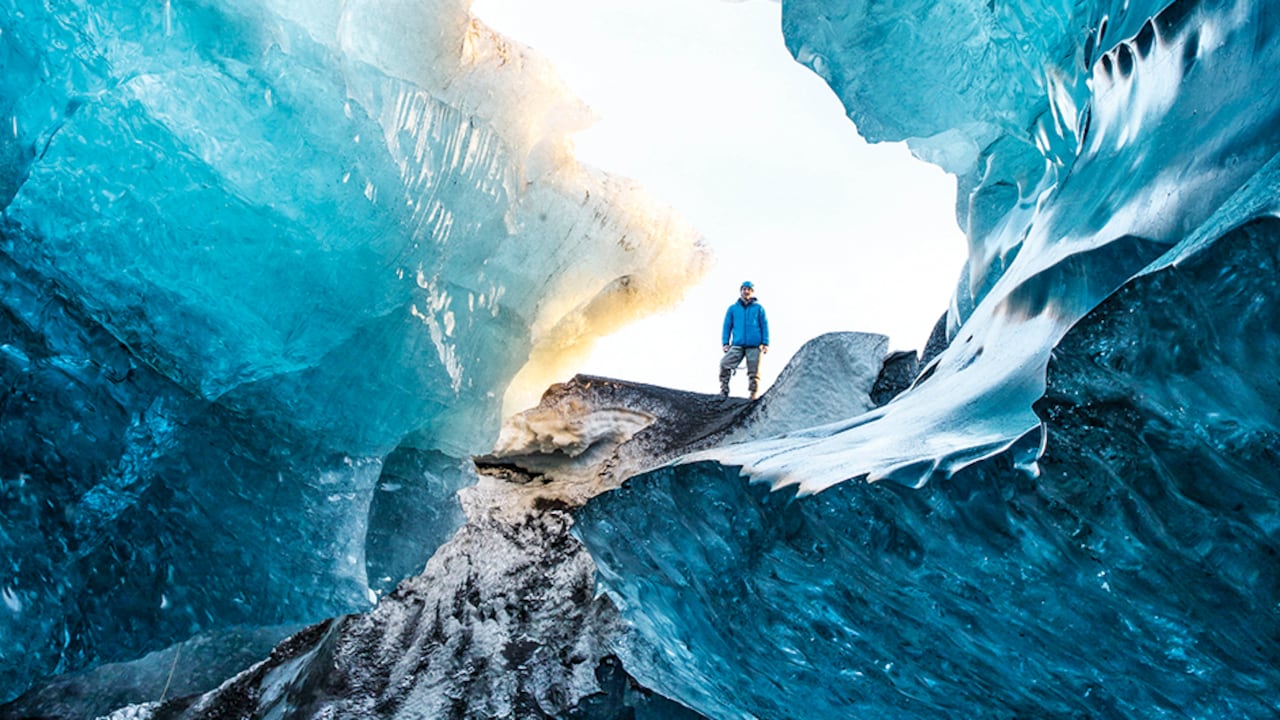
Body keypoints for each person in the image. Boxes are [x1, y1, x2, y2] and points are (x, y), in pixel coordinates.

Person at [719, 280, 769, 399]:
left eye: (749, 290)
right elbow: (727, 326)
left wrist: (765, 343)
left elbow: (764, 325)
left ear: (752, 292)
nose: (746, 291)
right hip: (738, 344)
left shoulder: (759, 308)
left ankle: (753, 394)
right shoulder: (733, 309)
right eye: (744, 289)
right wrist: (725, 343)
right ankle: (724, 390)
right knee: (724, 364)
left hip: (754, 345)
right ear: (741, 291)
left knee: (754, 371)